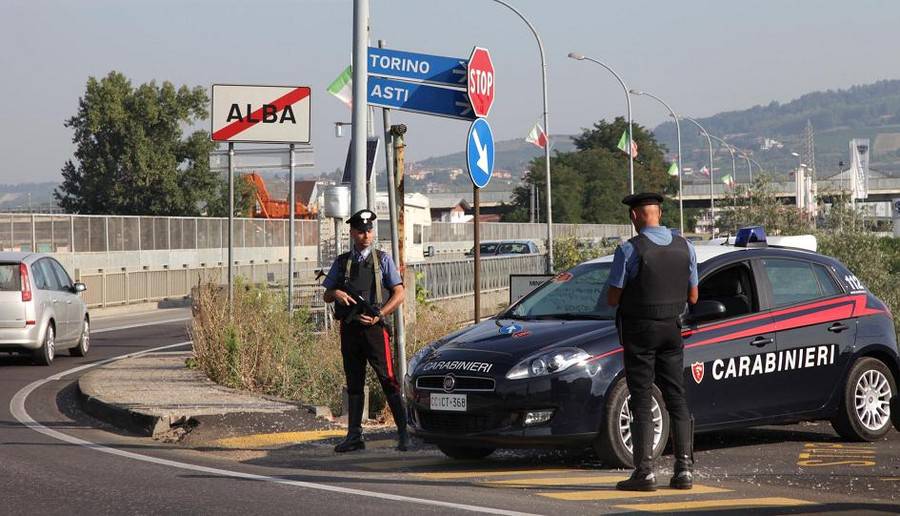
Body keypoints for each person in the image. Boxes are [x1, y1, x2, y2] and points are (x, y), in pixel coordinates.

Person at [606, 192, 699, 491]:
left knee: (642, 398)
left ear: (634, 216)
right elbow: (694, 296)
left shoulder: (629, 250)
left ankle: (644, 472)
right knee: (677, 396)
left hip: (640, 332)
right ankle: (684, 469)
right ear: (658, 213)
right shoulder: (686, 246)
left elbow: (612, 297)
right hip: (673, 330)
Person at [322, 209, 410, 452]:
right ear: (352, 233)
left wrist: (380, 314)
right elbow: (326, 293)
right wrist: (337, 294)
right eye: (361, 231)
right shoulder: (342, 262)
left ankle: (404, 434)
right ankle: (354, 436)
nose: (366, 235)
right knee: (354, 382)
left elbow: (399, 293)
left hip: (375, 329)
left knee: (388, 380)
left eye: (369, 231)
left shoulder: (383, 260)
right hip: (350, 330)